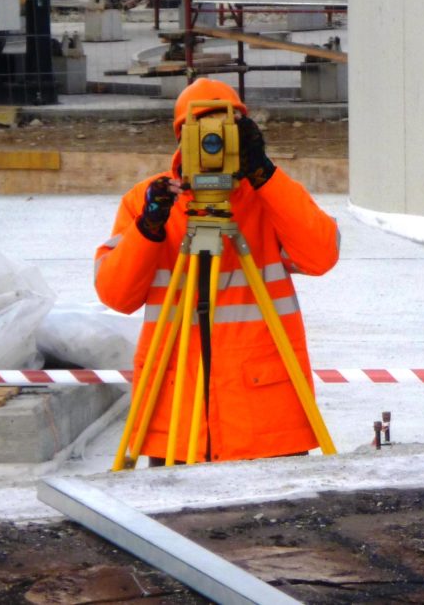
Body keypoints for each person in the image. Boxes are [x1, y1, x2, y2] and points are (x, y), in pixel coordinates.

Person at [94, 78, 340, 464]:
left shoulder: (266, 198)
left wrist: (265, 174)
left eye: (224, 132)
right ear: (182, 139)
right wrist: (149, 226)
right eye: (203, 132)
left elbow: (321, 253)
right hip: (175, 421)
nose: (214, 143)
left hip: (265, 424)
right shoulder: (149, 202)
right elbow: (116, 295)